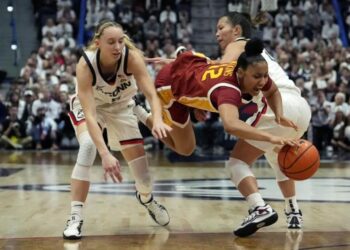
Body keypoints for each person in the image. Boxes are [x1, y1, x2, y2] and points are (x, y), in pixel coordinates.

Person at [135, 38, 300, 237]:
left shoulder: (250, 70)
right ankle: (141, 112)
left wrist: (279, 115)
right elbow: (231, 125)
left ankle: (182, 58)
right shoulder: (228, 90)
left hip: (195, 67)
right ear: (240, 73)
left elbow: (272, 91)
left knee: (192, 125)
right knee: (185, 148)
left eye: (265, 76)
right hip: (169, 86)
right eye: (258, 77)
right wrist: (270, 138)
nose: (263, 81)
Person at [63, 21, 172, 240]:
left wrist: (158, 120)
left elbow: (151, 94)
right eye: (111, 42)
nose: (117, 47)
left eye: (120, 41)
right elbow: (91, 116)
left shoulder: (131, 57)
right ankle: (75, 217)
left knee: (143, 177)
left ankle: (147, 199)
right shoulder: (86, 65)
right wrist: (105, 154)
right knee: (87, 146)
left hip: (122, 107)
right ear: (98, 43)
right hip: (92, 106)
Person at [214, 12, 311, 235]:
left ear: (236, 31)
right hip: (300, 108)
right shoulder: (255, 54)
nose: (217, 33)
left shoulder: (239, 45)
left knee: (236, 163)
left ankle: (259, 207)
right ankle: (293, 209)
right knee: (279, 158)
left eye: (221, 28)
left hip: (277, 104)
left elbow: (217, 73)